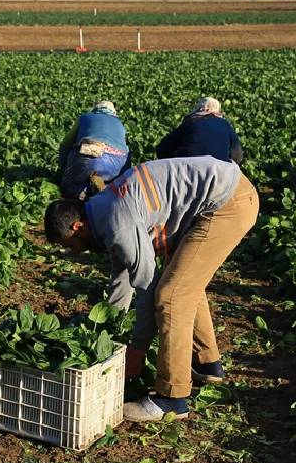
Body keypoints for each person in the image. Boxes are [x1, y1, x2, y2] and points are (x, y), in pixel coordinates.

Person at [44, 156, 259, 422]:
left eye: (69, 245)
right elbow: (121, 276)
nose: (72, 251)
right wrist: (108, 331)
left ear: (77, 227)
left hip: (227, 203)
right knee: (182, 280)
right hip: (220, 195)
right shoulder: (102, 210)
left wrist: (136, 352)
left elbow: (146, 288)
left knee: (171, 296)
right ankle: (207, 363)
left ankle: (172, 398)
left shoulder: (117, 222)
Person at [57, 101, 130, 200]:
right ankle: (102, 192)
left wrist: (62, 169)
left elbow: (66, 143)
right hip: (118, 163)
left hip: (91, 155)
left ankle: (78, 194)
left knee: (70, 185)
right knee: (109, 190)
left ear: (95, 109)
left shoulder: (85, 117)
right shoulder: (119, 124)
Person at [155, 97, 244, 164]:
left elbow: (162, 150)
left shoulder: (190, 122)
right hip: (218, 172)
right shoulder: (225, 124)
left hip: (186, 169)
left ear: (198, 110)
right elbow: (237, 155)